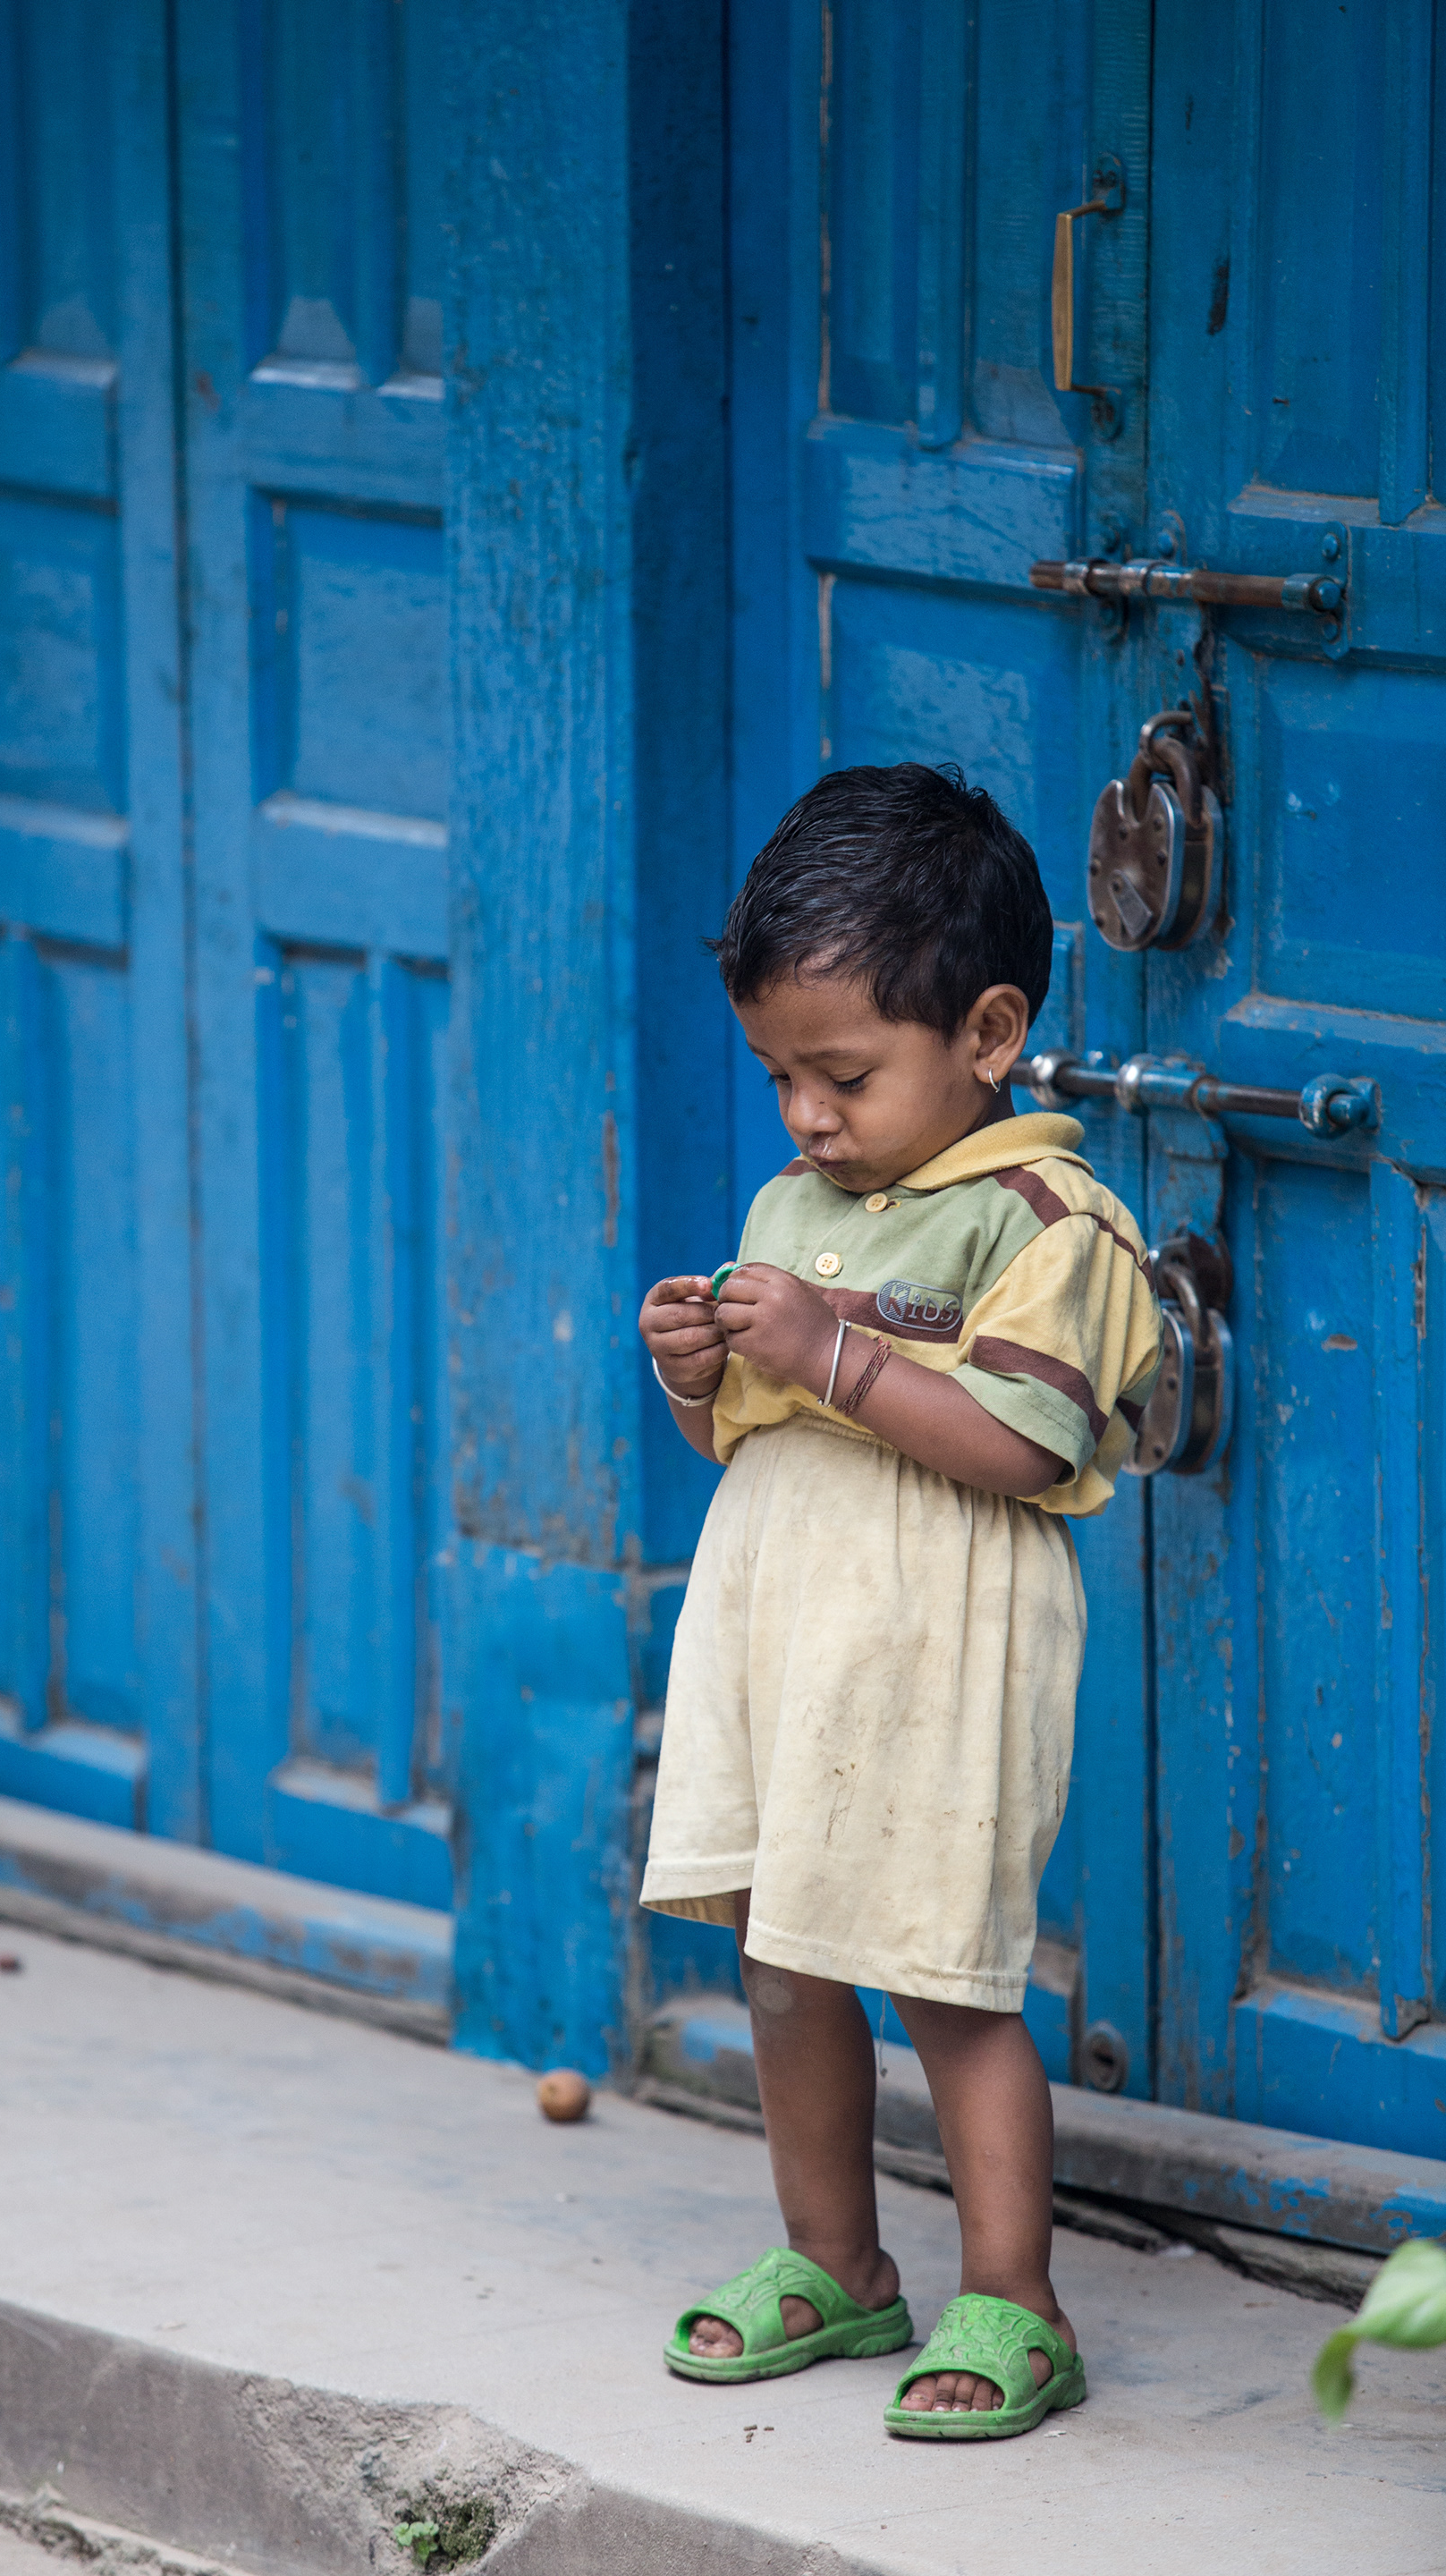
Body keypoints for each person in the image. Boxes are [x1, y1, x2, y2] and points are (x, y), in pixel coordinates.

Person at [638, 764, 1162, 2440]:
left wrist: (832, 1349)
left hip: (938, 1641)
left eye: (842, 1073)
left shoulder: (1050, 1220)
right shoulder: (803, 1206)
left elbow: (1025, 1445)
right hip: (786, 1627)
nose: (803, 1115)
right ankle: (838, 2265)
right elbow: (745, 1436)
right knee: (788, 1961)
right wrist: (695, 1372)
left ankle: (1016, 2298)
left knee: (946, 1971)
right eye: (779, 1075)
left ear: (991, 1032)